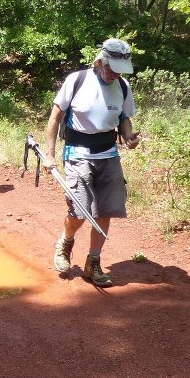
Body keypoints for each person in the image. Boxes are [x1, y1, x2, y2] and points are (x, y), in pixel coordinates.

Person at [43, 37, 141, 288]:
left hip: (109, 154)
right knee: (79, 210)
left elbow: (124, 117)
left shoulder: (123, 86)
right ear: (99, 61)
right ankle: (65, 242)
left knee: (105, 210)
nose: (114, 74)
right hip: (77, 153)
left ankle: (93, 263)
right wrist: (50, 155)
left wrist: (129, 136)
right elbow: (55, 118)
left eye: (119, 70)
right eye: (111, 68)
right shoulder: (77, 80)